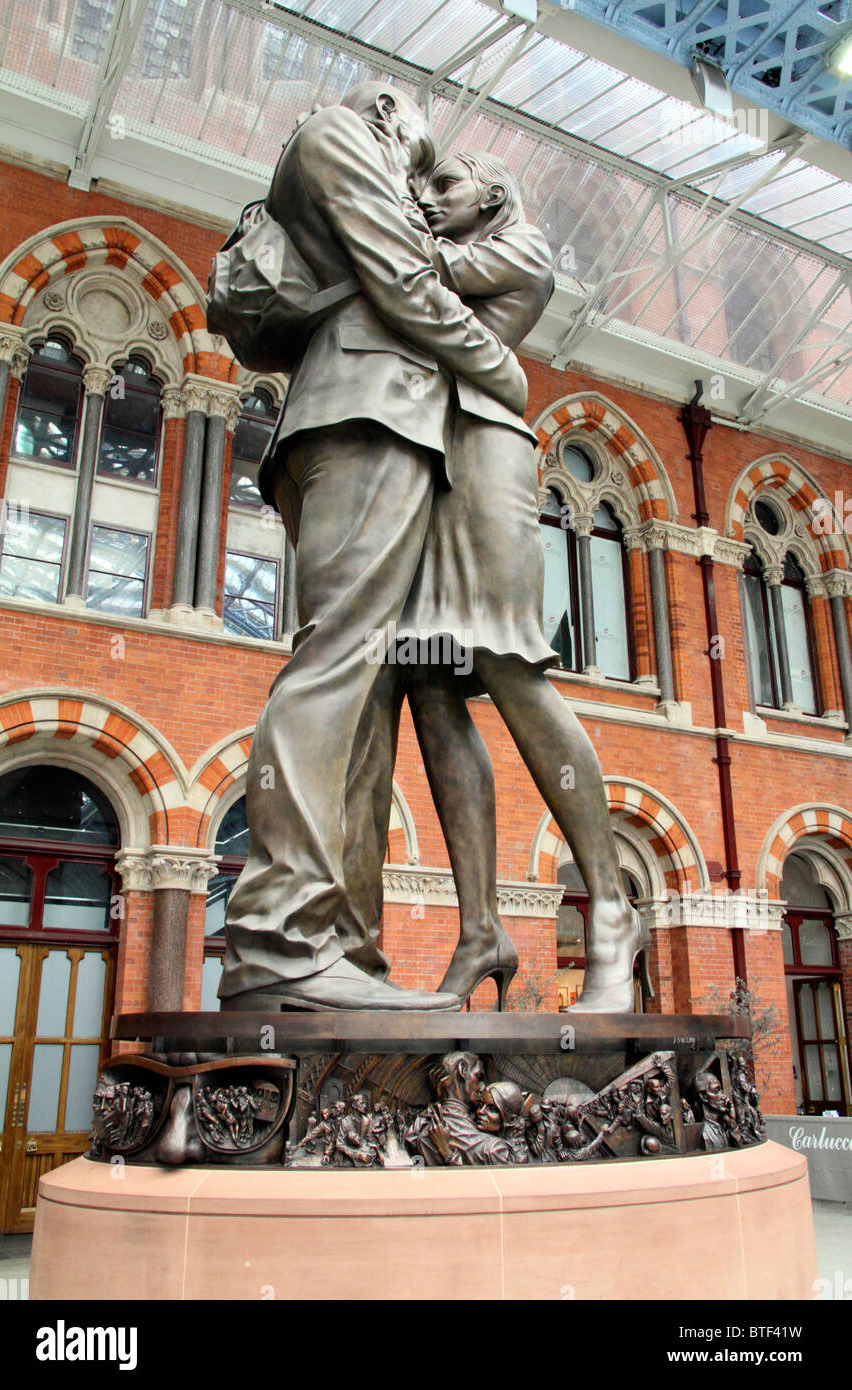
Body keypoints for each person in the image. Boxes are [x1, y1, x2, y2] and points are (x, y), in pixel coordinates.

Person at [217, 85, 528, 1012]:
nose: (423, 187)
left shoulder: (348, 156)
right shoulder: (340, 137)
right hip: (365, 412)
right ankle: (280, 931)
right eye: (421, 162)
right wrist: (501, 369)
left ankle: (338, 948)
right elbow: (403, 281)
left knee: (361, 689)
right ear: (392, 116)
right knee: (337, 665)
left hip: (371, 420)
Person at [338, 153, 651, 1012]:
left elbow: (412, 271)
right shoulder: (453, 242)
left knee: (510, 665)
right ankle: (480, 927)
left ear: (496, 195)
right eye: (423, 189)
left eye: (446, 187)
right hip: (425, 466)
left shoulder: (522, 248)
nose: (428, 200)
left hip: (485, 462)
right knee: (430, 684)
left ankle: (612, 912)